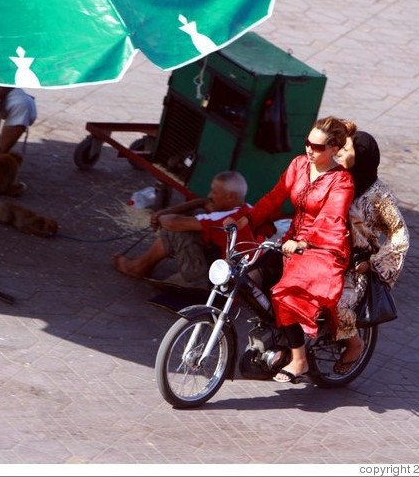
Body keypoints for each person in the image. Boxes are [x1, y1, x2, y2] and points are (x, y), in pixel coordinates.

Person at [226, 116, 355, 384]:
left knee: (284, 293)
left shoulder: (341, 181)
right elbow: (275, 197)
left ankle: (299, 359)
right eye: (307, 143)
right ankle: (281, 332)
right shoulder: (299, 164)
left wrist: (304, 242)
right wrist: (246, 219)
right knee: (249, 279)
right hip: (291, 244)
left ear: (333, 149)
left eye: (317, 147)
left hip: (323, 249)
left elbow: (331, 218)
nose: (309, 150)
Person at [332, 127, 410, 374]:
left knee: (336, 304)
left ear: (362, 156)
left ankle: (354, 343)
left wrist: (374, 263)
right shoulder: (336, 179)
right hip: (325, 254)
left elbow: (399, 233)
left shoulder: (379, 196)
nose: (339, 154)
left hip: (356, 266)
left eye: (346, 150)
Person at [113, 171, 260, 289]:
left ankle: (141, 267)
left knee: (176, 228)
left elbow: (171, 223)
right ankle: (142, 265)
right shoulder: (250, 211)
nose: (209, 195)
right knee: (190, 223)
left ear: (230, 197)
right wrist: (199, 202)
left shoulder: (225, 218)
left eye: (214, 192)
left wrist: (159, 216)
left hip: (221, 283)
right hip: (243, 281)